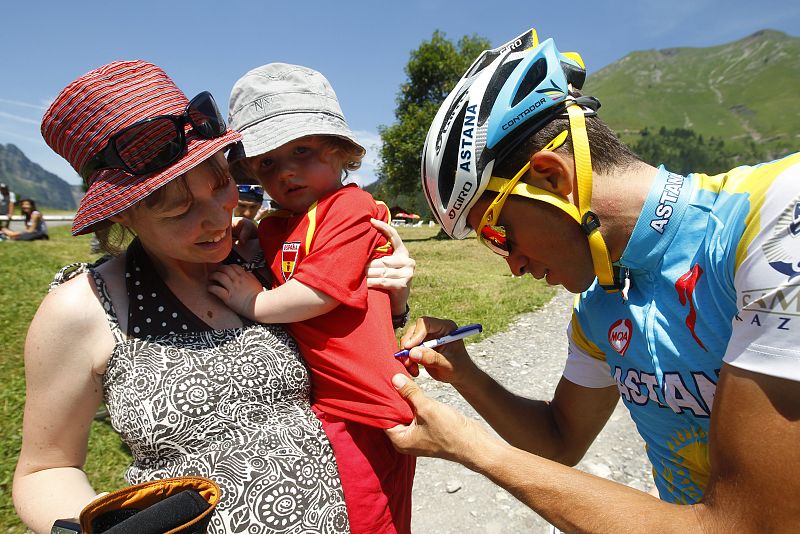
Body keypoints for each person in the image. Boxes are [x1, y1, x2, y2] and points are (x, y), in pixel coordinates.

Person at [385, 27, 800, 531]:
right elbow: (558, 441)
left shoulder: (776, 217)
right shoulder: (600, 307)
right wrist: (465, 372)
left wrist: (473, 448)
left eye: (498, 233)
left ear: (551, 177)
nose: (512, 265)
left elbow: (744, 526)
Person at [12, 60, 414, 533]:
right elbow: (46, 469)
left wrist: (392, 300)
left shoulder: (261, 256)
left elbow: (339, 338)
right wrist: (95, 527)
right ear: (121, 215)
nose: (219, 219)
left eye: (222, 185)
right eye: (180, 209)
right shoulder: (84, 308)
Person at [212, 63, 416, 534]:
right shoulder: (277, 224)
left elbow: (317, 292)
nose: (285, 171)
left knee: (368, 517)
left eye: (301, 151)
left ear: (339, 151)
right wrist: (248, 242)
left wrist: (252, 303)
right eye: (266, 162)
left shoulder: (349, 207)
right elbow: (275, 261)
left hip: (364, 403)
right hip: (328, 399)